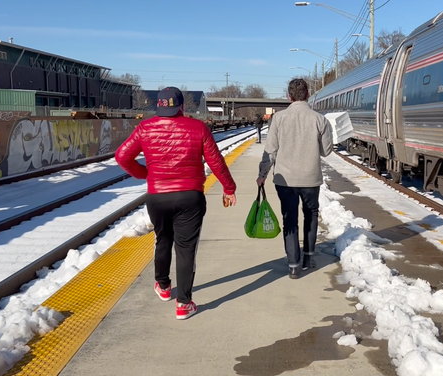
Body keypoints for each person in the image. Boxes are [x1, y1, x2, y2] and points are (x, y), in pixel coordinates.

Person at [116, 87, 237, 320]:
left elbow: (122, 156)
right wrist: (229, 188)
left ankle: (162, 286)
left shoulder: (145, 128)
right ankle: (184, 303)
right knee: (186, 249)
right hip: (190, 197)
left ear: (158, 106)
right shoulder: (198, 128)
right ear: (182, 106)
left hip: (157, 196)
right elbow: (215, 161)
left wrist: (145, 174)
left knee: (163, 239)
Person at [256, 79, 334, 279]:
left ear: (289, 96)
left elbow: (270, 150)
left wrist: (262, 174)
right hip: (310, 179)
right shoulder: (320, 119)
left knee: (289, 219)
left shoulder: (278, 119)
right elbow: (326, 151)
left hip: (285, 181)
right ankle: (308, 257)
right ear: (308, 94)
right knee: (311, 215)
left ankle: (293, 265)